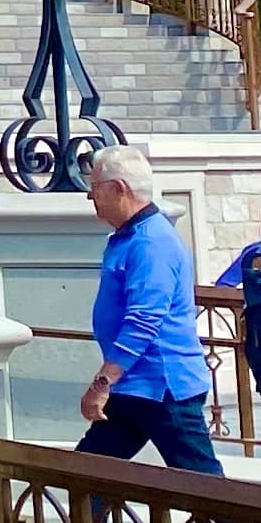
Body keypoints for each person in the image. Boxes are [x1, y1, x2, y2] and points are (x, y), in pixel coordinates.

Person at [77, 146, 222, 472]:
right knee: (88, 476)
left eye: (95, 187)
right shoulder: (131, 237)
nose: (90, 196)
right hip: (135, 387)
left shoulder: (150, 243)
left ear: (118, 189)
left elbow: (143, 321)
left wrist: (101, 384)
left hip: (163, 387)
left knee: (207, 489)